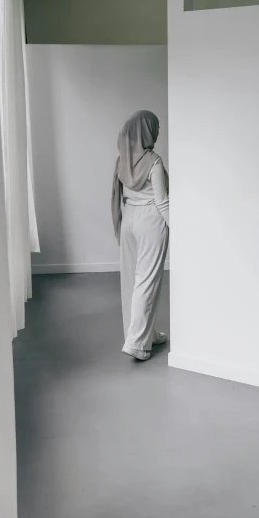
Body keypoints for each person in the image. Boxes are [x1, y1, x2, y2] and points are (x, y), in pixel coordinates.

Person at [111, 110, 170, 361]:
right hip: (150, 221)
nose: (158, 131)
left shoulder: (121, 160)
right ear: (146, 130)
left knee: (131, 282)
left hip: (128, 220)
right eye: (155, 127)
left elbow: (118, 195)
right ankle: (137, 343)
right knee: (147, 281)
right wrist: (181, 231)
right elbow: (163, 202)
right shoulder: (153, 161)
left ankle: (145, 334)